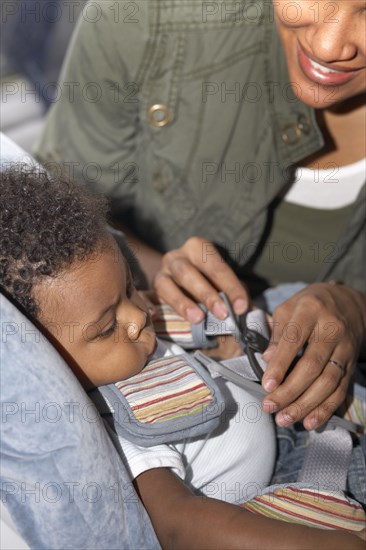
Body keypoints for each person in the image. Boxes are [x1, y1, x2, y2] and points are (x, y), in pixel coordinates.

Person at [34, 0, 366, 433]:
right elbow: (48, 222)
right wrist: (148, 266)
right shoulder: (144, 18)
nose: (327, 45)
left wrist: (357, 310)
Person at [1, 165, 364, 549]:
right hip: (288, 497)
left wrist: (229, 345)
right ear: (45, 363)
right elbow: (178, 524)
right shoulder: (117, 426)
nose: (139, 316)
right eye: (107, 328)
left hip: (316, 418)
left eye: (130, 286)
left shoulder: (132, 327)